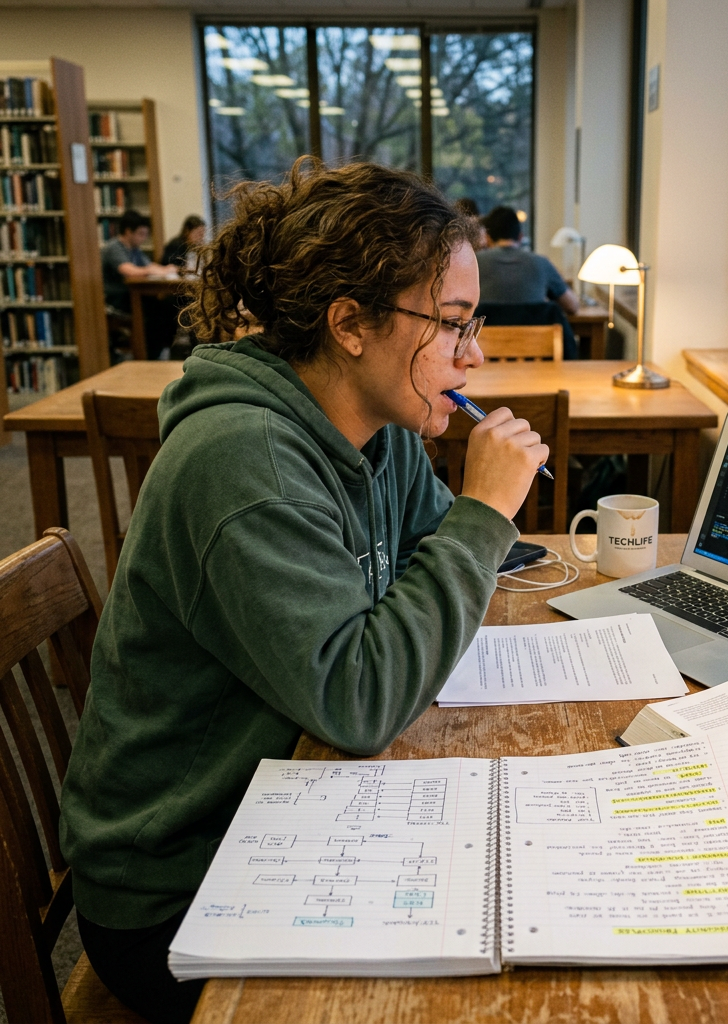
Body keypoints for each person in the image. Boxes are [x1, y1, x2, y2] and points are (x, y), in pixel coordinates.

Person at [59, 159, 547, 1024]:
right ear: (350, 324)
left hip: (279, 805)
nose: (474, 355)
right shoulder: (245, 463)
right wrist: (484, 512)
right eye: (452, 325)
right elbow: (357, 700)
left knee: (512, 891)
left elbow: (431, 550)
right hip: (178, 879)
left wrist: (471, 527)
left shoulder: (375, 425)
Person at [477, 205, 580, 316]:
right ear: (520, 237)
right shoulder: (541, 263)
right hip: (535, 333)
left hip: (486, 333)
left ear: (487, 238)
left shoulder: (475, 263)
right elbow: (572, 306)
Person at [101, 210, 176, 359]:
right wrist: (153, 270)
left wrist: (166, 269)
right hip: (117, 299)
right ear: (128, 232)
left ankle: (157, 351)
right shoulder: (114, 247)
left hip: (133, 297)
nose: (144, 238)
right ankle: (148, 355)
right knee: (157, 312)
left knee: (168, 305)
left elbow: (148, 266)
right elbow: (128, 270)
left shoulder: (134, 250)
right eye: (141, 234)